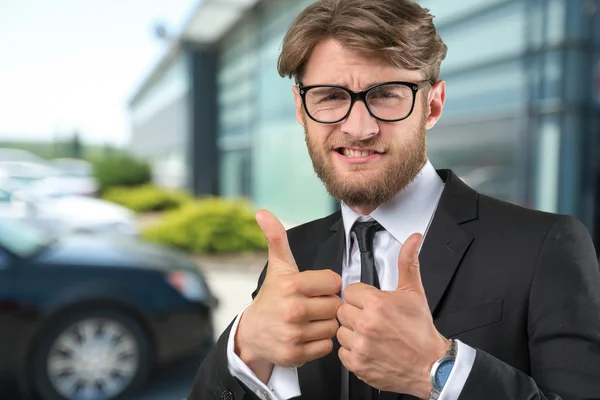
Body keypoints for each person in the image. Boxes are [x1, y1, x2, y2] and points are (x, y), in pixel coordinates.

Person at [187, 0, 600, 399]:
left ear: (432, 105)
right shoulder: (293, 255)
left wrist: (441, 371)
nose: (358, 127)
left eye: (386, 94)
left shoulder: (546, 246)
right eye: (329, 96)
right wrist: (246, 346)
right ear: (301, 109)